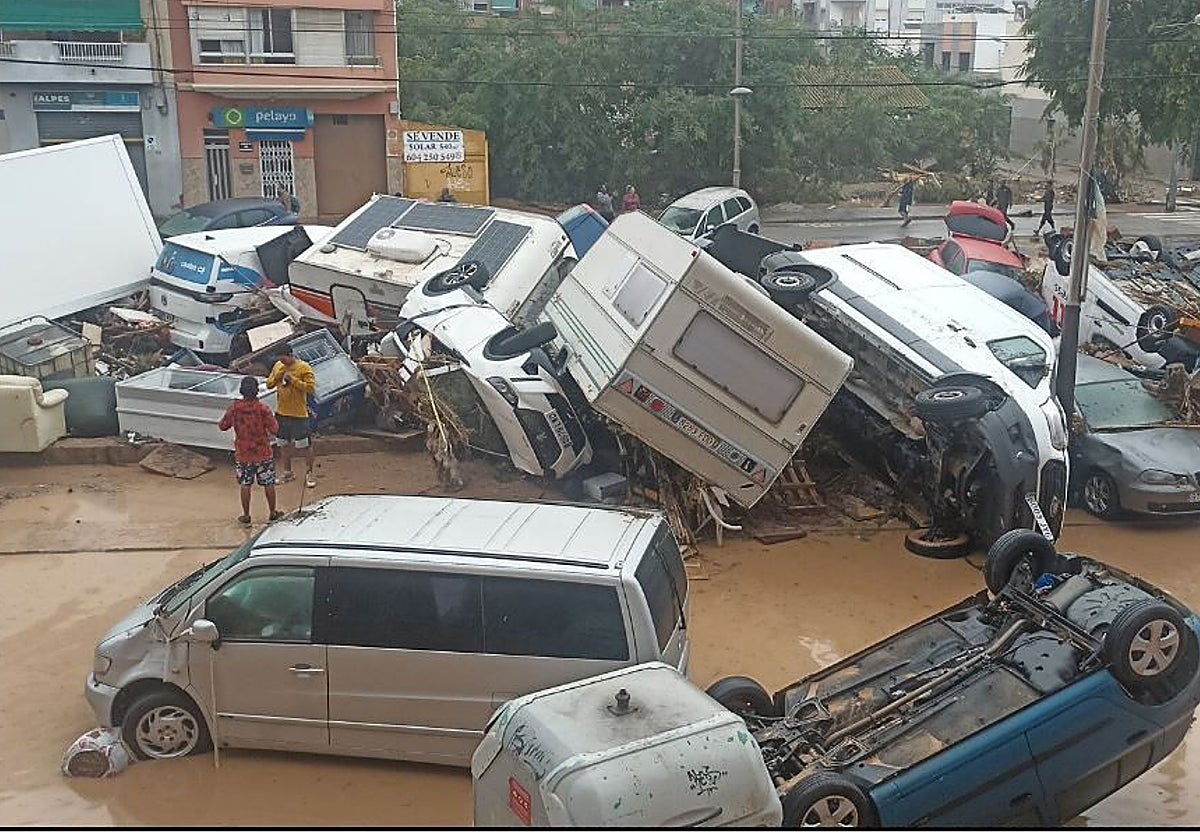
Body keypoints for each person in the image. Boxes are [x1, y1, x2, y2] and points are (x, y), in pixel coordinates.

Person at [218, 376, 282, 526]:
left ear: (242, 391)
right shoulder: (263, 409)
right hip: (263, 452)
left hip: (243, 453)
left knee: (245, 484)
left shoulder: (234, 409)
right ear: (257, 391)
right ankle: (272, 512)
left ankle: (246, 515)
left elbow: (222, 426)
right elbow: (275, 429)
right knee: (268, 483)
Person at [266, 343, 318, 489]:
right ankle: (287, 471)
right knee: (283, 443)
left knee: (304, 445)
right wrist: (277, 376)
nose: (282, 362)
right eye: (280, 359)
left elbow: (311, 388)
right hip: (282, 413)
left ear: (290, 355)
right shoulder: (277, 366)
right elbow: (269, 384)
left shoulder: (304, 367)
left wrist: (294, 380)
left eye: (284, 359)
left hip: (299, 414)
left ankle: (309, 473)